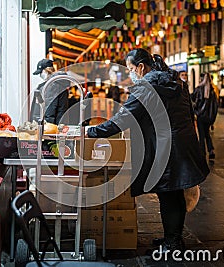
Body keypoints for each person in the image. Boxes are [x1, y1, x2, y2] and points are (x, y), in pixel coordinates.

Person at [86, 48, 209, 253]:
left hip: (166, 146)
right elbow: (189, 112)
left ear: (141, 67)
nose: (130, 73)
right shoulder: (176, 81)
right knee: (172, 192)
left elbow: (124, 118)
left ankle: (173, 243)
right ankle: (172, 238)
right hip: (182, 142)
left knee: (168, 193)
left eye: (131, 68)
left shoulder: (146, 87)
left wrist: (93, 132)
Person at [30, 59, 69, 125]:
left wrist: (43, 128)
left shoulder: (51, 86)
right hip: (59, 125)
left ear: (46, 70)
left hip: (50, 128)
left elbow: (49, 111)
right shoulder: (60, 84)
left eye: (41, 72)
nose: (40, 75)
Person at [191, 73, 218, 160]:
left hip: (201, 116)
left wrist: (196, 112)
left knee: (201, 135)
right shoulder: (212, 91)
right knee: (207, 133)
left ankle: (202, 153)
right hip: (209, 117)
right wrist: (213, 118)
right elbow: (215, 106)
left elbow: (194, 101)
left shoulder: (199, 89)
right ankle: (211, 151)